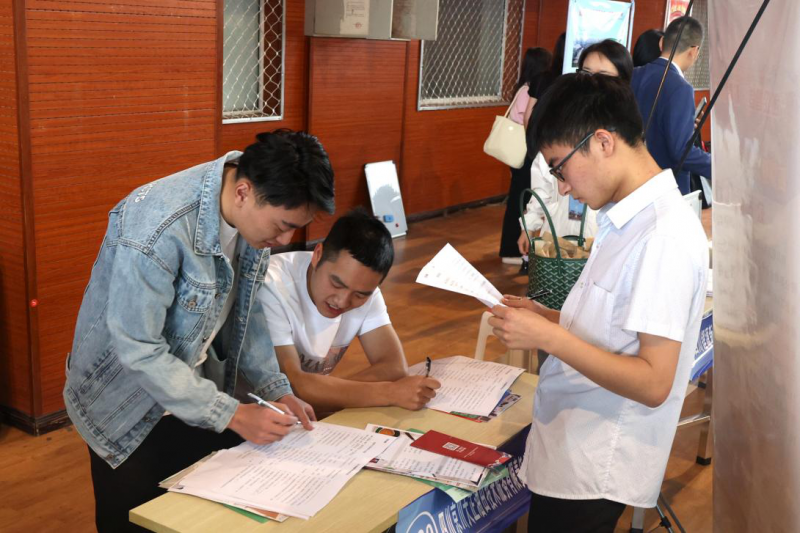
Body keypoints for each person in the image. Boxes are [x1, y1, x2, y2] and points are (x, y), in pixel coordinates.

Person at [64, 129, 335, 532]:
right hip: (125, 402)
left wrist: (276, 388)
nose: (285, 239)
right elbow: (137, 347)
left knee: (198, 516)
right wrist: (232, 414)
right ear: (243, 192)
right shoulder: (159, 226)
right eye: (283, 225)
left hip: (194, 389)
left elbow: (248, 311)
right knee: (135, 520)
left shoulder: (251, 211)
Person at [490, 74, 708, 532]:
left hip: (596, 463)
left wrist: (549, 336)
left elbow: (654, 381)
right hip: (574, 445)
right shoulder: (624, 216)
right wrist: (550, 318)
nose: (562, 187)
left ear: (603, 142)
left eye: (560, 168)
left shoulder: (662, 236)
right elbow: (613, 325)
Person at [258, 209, 441, 413]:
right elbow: (294, 386)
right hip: (257, 414)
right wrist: (389, 393)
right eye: (336, 284)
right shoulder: (272, 285)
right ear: (317, 255)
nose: (342, 301)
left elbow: (394, 367)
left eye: (360, 295)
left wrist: (328, 395)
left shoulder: (367, 290)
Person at [516, 40, 635, 258]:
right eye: (586, 73)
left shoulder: (627, 136)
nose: (591, 83)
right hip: (559, 234)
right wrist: (529, 223)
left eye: (603, 76)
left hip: (603, 240)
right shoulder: (561, 124)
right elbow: (543, 179)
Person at [631, 16, 711, 194]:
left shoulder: (634, 74)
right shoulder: (681, 88)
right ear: (694, 51)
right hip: (665, 188)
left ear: (662, 43)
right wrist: (717, 167)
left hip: (632, 182)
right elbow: (681, 152)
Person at [500, 47, 553, 265]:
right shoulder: (528, 90)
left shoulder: (523, 88)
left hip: (519, 153)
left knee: (519, 199)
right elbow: (526, 120)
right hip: (524, 153)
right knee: (520, 200)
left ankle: (514, 250)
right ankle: (512, 251)